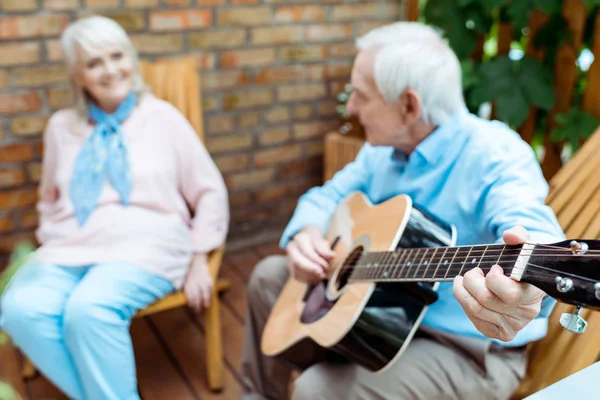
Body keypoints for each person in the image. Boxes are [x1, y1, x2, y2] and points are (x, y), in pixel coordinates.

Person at [241, 21, 565, 400]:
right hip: (378, 313)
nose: (350, 107)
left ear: (409, 105)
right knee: (268, 276)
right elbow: (325, 196)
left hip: (465, 350)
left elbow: (532, 230)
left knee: (318, 390)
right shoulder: (380, 150)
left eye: (361, 95)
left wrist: (530, 286)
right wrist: (306, 233)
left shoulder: (496, 154)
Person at [0, 16, 229, 400]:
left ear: (132, 58)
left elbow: (210, 192)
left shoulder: (163, 118)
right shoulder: (60, 127)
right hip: (72, 245)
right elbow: (49, 199)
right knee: (19, 307)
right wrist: (54, 239)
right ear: (77, 76)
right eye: (93, 63)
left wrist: (198, 256)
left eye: (117, 56)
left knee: (88, 310)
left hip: (148, 244)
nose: (110, 70)